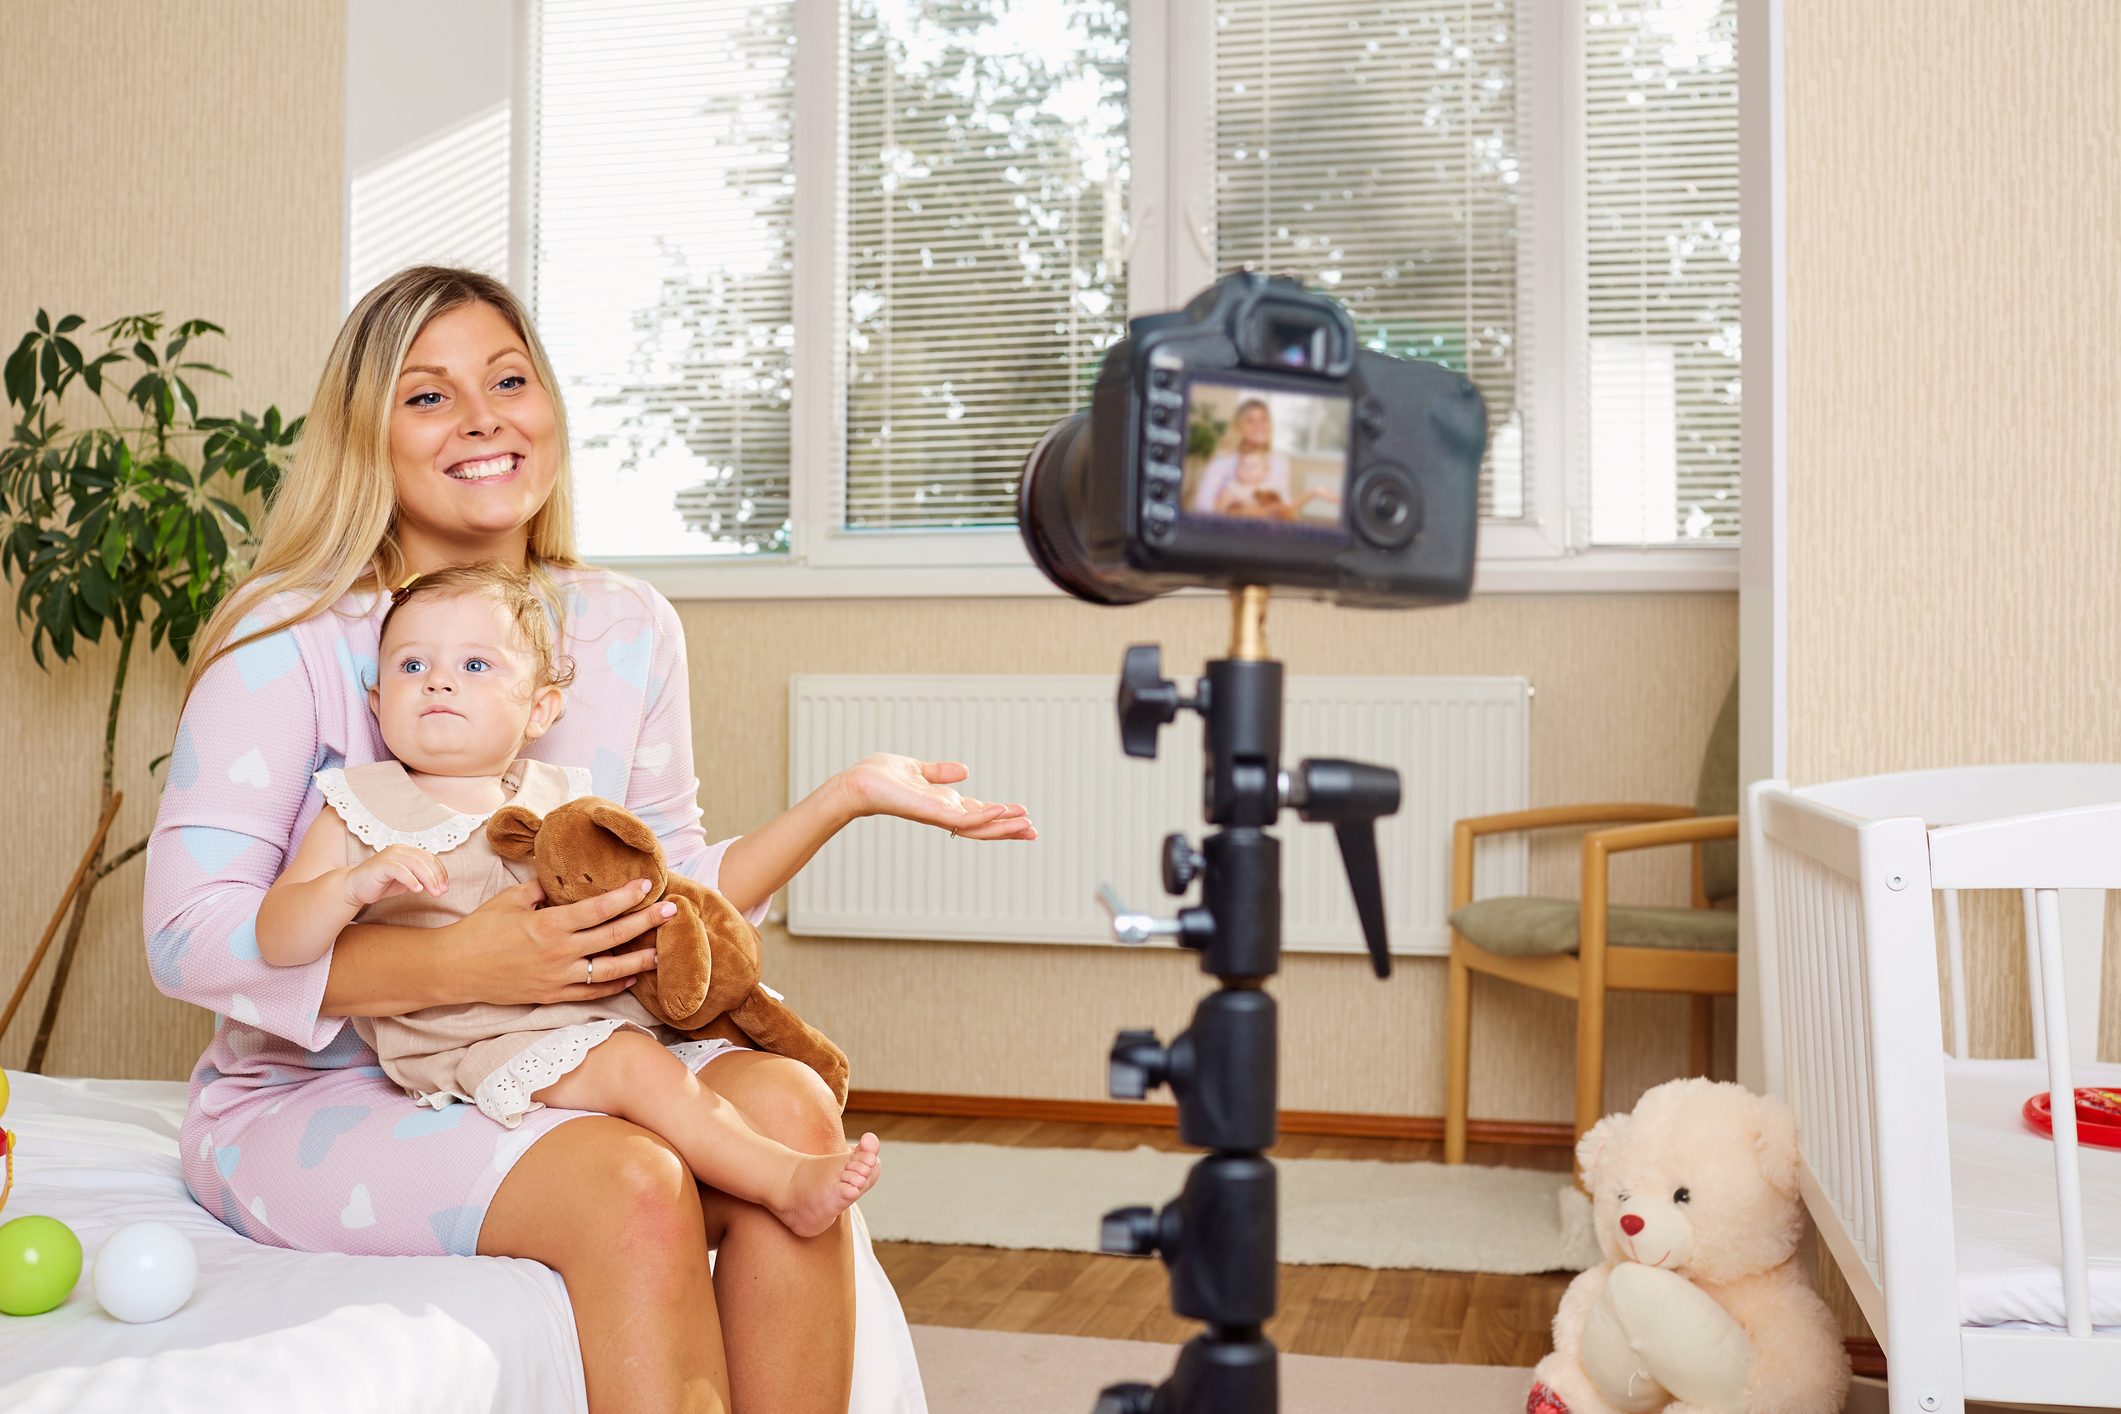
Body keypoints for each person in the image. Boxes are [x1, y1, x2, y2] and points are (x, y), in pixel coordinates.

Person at [145, 264, 1033, 1413]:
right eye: (429, 395)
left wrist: (843, 797)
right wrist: (457, 964)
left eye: (509, 379)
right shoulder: (294, 634)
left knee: (791, 1111)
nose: (483, 417)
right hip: (324, 1097)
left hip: (559, 1048)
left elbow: (670, 895)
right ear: (367, 435)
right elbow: (186, 936)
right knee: (632, 1182)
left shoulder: (622, 628)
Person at [256, 562, 882, 1240]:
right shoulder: (359, 808)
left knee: (708, 1058)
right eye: (411, 666)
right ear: (377, 706)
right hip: (468, 1035)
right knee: (633, 1067)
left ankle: (761, 1161)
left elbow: (650, 892)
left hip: (575, 1013)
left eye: (474, 664)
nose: (438, 680)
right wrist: (347, 886)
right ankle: (781, 1180)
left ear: (539, 711)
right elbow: (277, 941)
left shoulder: (559, 801)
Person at [1189, 398, 1341, 520]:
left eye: (1264, 419)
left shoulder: (1279, 461)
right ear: (1239, 425)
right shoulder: (1223, 459)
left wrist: (1313, 493)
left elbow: (1284, 505)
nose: (1259, 426)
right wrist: (1244, 511)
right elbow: (1204, 506)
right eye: (1250, 420)